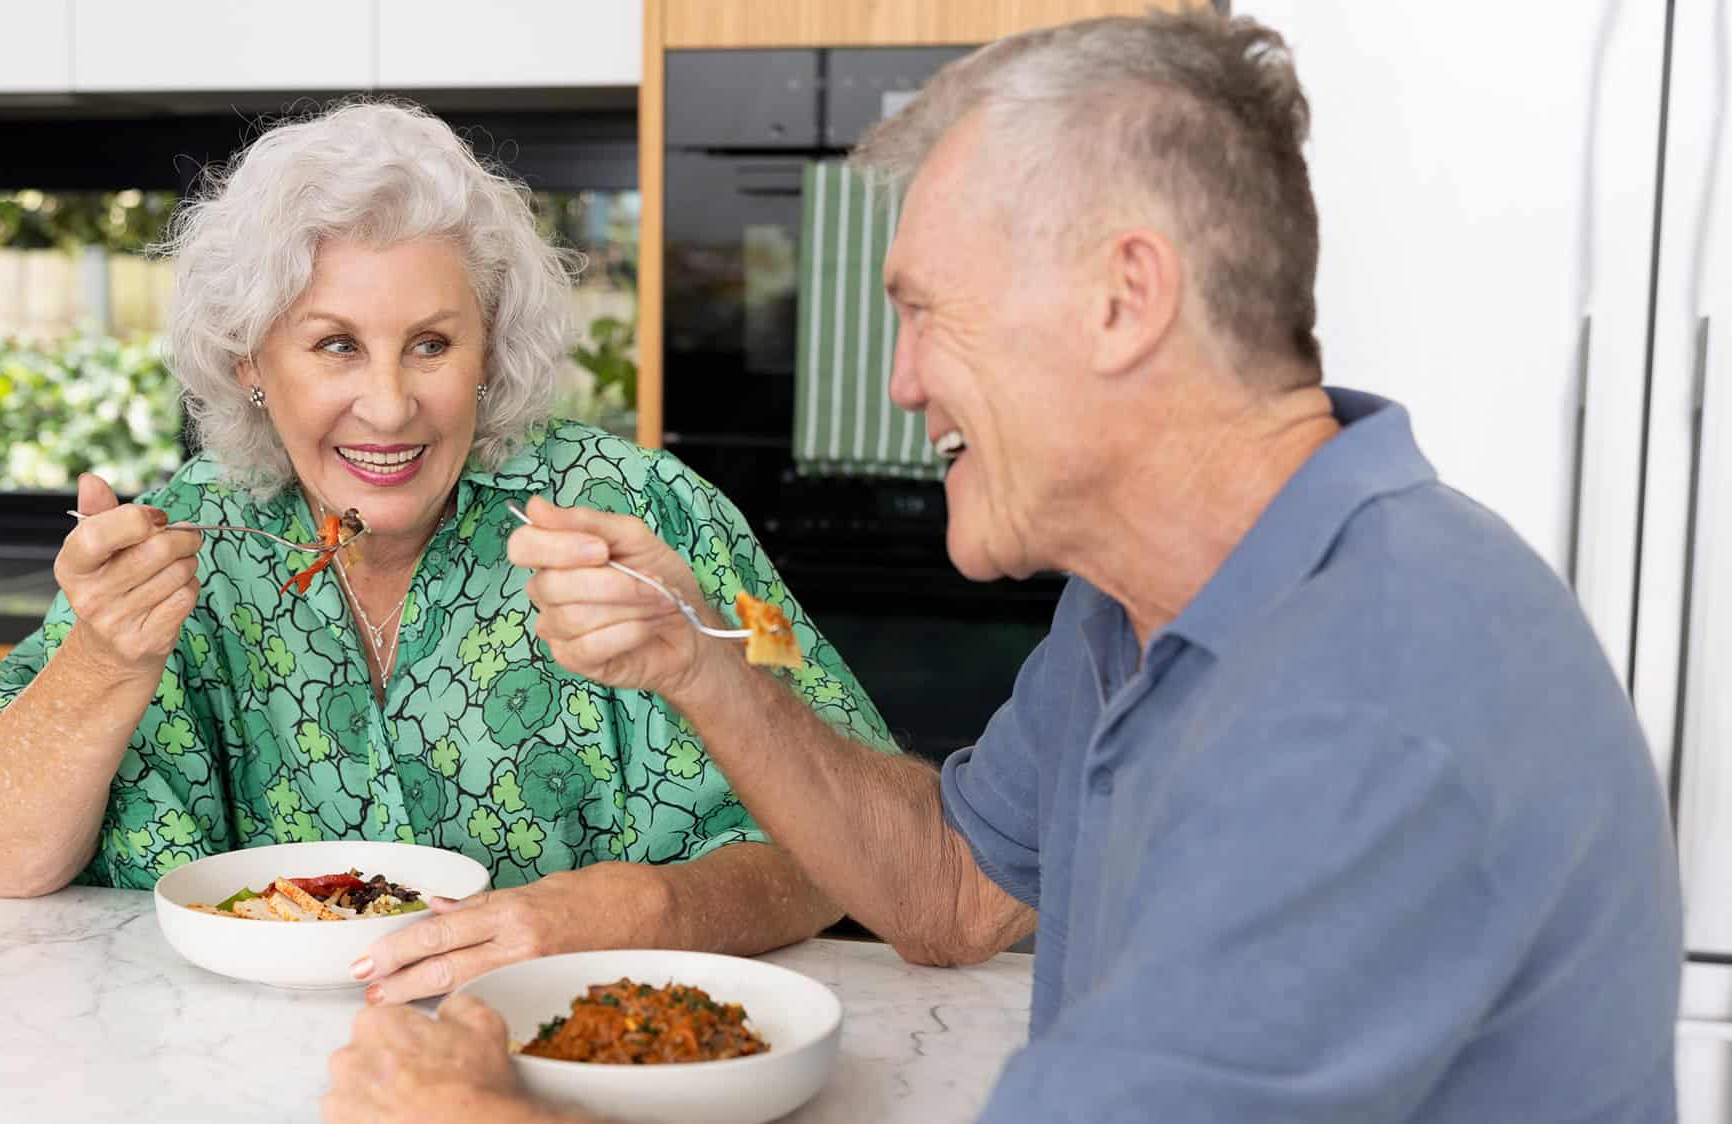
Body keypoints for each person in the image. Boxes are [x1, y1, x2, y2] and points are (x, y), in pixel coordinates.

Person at [326, 11, 1682, 1122]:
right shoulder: (1143, 606)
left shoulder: (1377, 694)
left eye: (923, 310)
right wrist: (701, 666)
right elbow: (950, 893)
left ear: (1123, 297)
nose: (903, 381)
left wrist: (464, 1116)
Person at [0, 101, 901, 1005]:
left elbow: (856, 846)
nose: (389, 406)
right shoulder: (182, 538)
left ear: (492, 345)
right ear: (248, 360)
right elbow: (0, 861)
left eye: (430, 343)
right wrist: (104, 661)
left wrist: (631, 912)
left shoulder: (639, 514)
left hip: (580, 1065)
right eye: (335, 345)